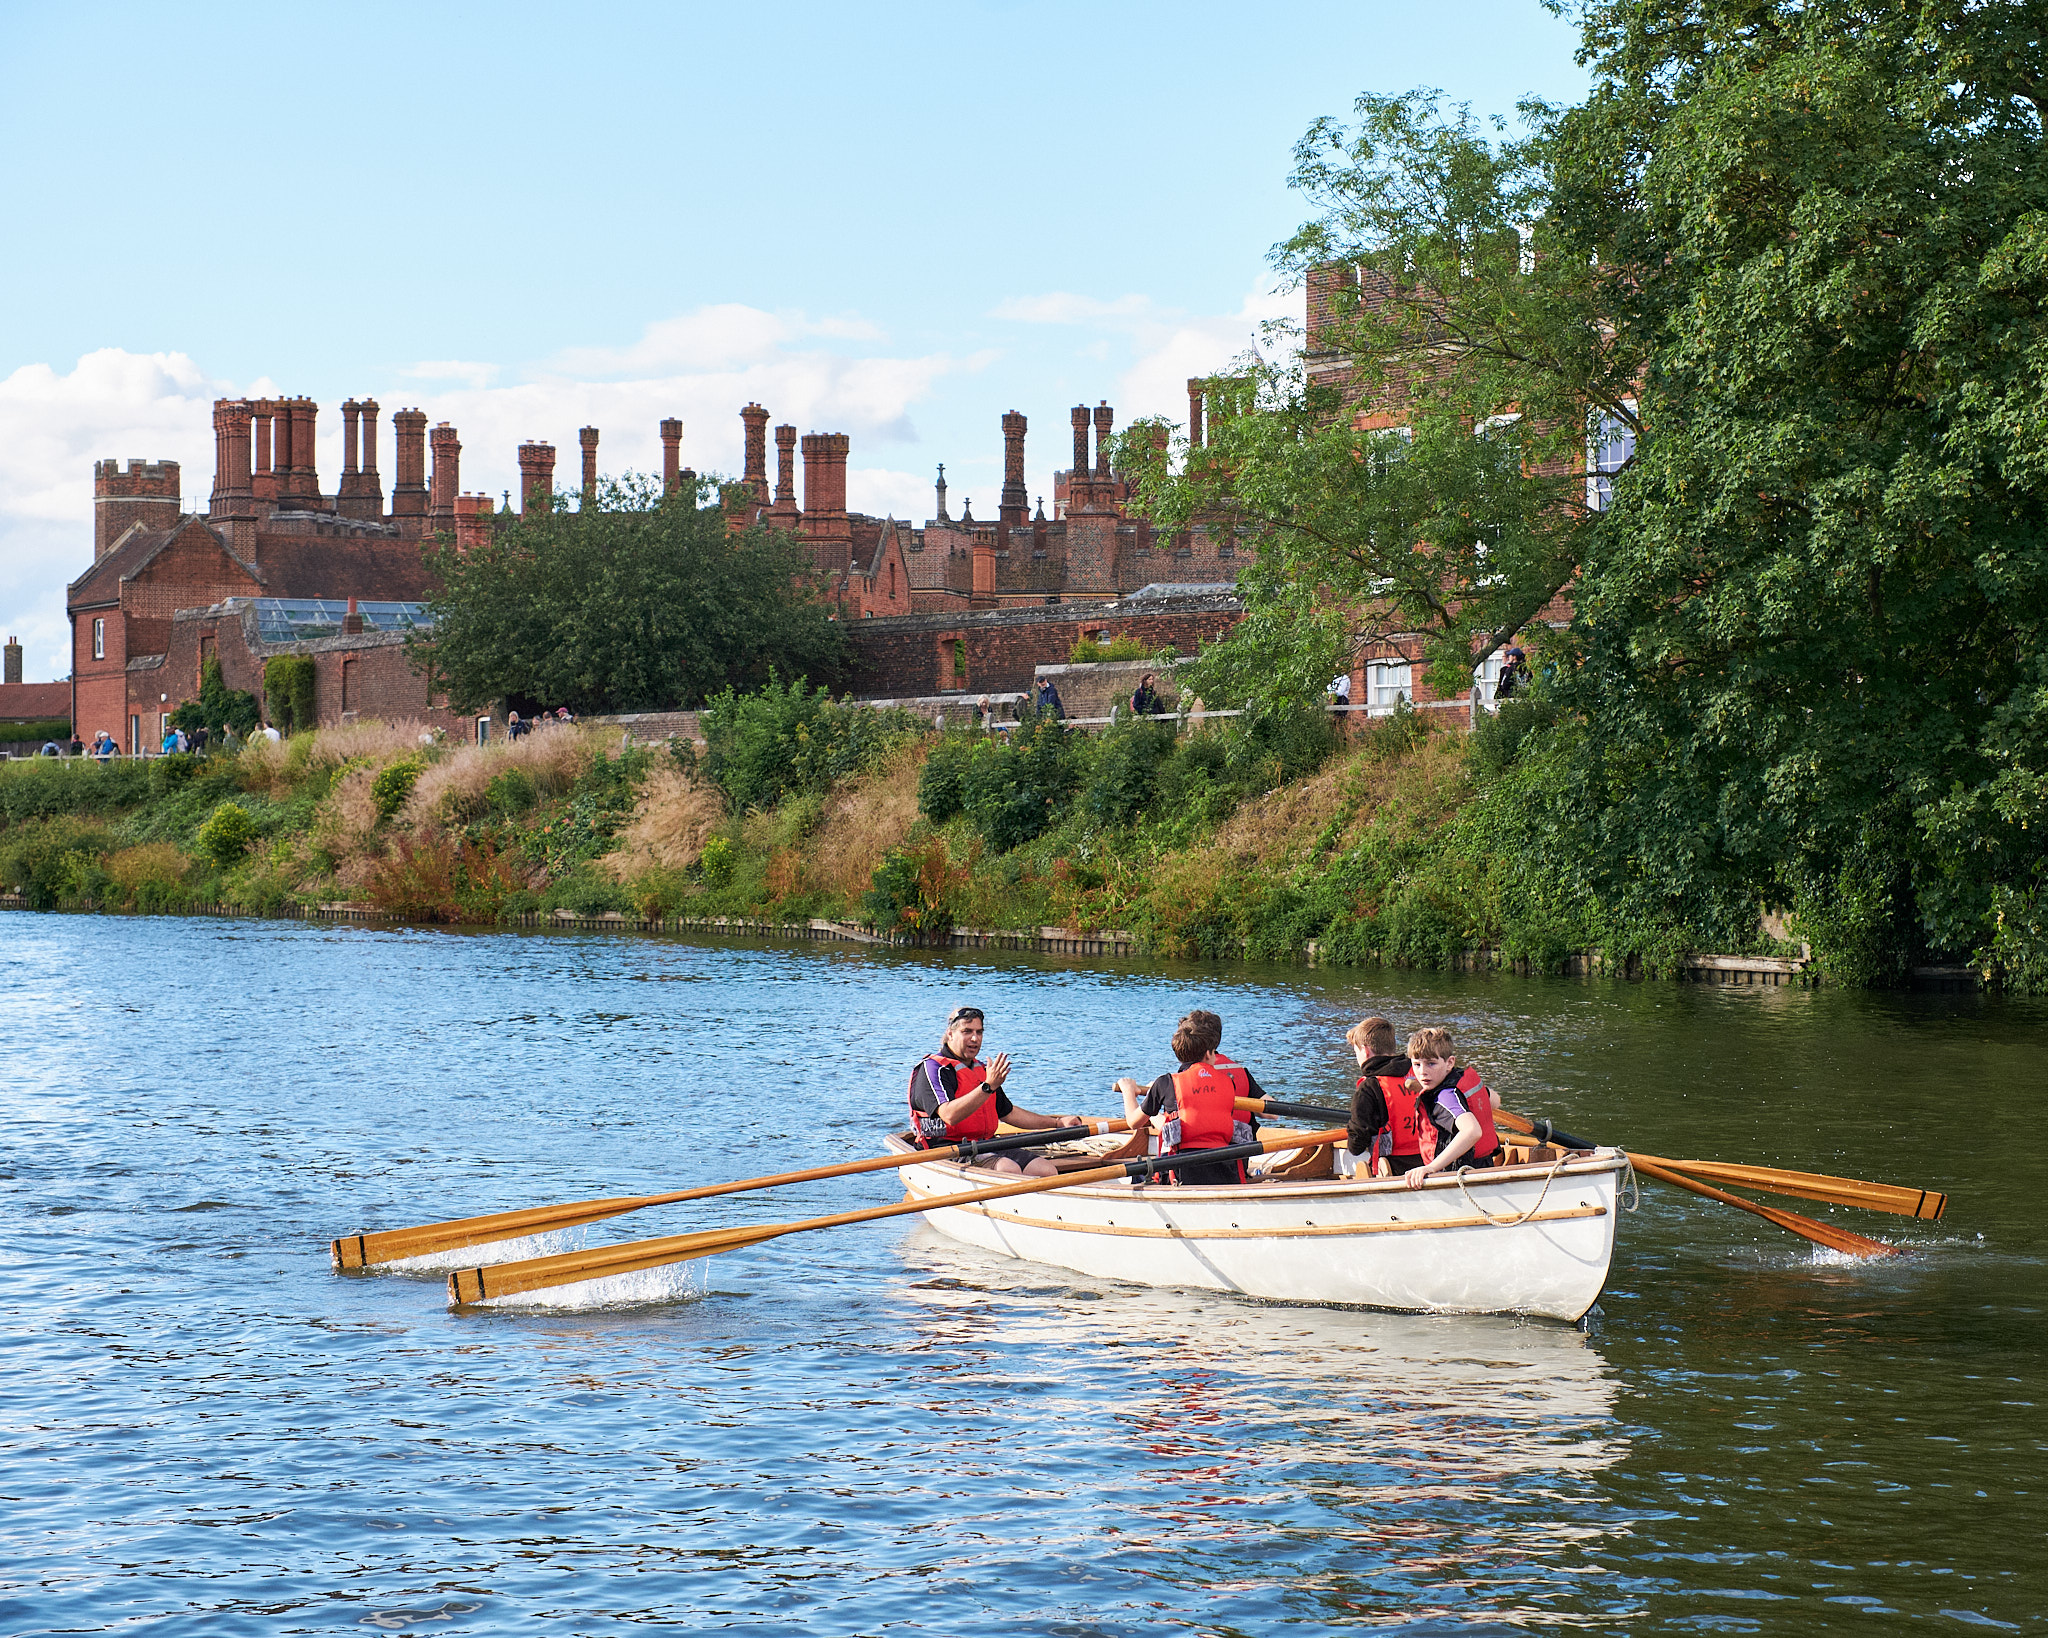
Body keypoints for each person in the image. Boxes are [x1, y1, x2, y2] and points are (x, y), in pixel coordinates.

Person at [906, 1005, 1081, 1177]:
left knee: (1046, 1170)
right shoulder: (933, 1069)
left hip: (985, 1144)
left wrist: (1057, 1123)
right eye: (967, 1031)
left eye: (979, 1032)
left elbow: (1008, 1113)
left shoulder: (981, 1069)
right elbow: (949, 1115)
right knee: (1008, 1169)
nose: (974, 1039)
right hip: (946, 1150)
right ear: (950, 1034)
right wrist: (988, 1086)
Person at [1114, 1009, 1268, 1185]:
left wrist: (1128, 1091)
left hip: (1181, 1171)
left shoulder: (1165, 1083)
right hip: (1225, 1169)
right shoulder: (1228, 1083)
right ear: (1209, 1053)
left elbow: (1133, 1122)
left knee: (1134, 1175)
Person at [1398, 1026, 1503, 1190]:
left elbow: (1473, 1131)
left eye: (1431, 1064)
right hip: (1483, 1165)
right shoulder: (1459, 1080)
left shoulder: (1445, 1097)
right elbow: (1495, 1100)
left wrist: (1431, 1167)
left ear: (1449, 1062)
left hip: (1460, 1174)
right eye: (1417, 1064)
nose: (1423, 1072)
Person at [1344, 1015, 1414, 1178]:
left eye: (1356, 1052)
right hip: (1430, 1161)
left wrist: (1352, 1130)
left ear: (1365, 1050)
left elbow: (1356, 1146)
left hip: (1392, 1168)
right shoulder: (1420, 1073)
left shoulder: (1369, 1087)